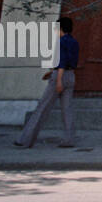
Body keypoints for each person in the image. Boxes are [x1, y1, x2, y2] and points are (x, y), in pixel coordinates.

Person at [15, 16, 80, 149]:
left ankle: (25, 139)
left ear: (60, 28)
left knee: (42, 108)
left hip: (60, 76)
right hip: (70, 76)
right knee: (67, 109)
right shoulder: (74, 42)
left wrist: (58, 80)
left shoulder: (61, 42)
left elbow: (61, 62)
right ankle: (70, 139)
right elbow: (69, 62)